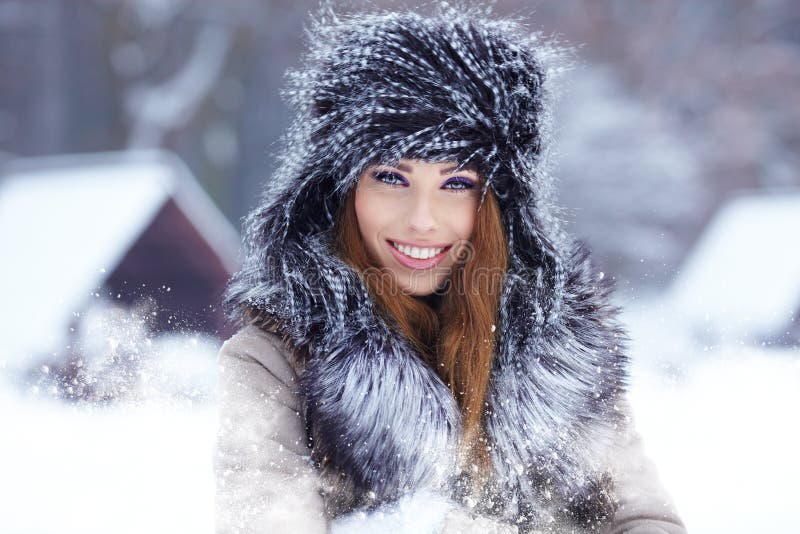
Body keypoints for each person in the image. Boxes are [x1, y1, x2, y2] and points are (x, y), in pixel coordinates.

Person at [214, 2, 687, 533]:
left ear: (498, 204)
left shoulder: (564, 350)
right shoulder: (275, 360)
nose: (422, 220)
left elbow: (642, 516)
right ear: (340, 190)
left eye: (456, 184)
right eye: (392, 177)